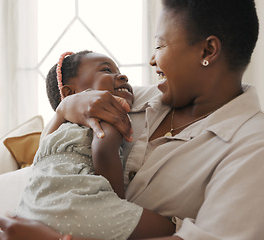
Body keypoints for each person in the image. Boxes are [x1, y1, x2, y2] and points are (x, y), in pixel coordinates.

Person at [0, 0, 264, 239]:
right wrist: (64, 109)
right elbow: (49, 158)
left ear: (207, 51)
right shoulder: (135, 99)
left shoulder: (252, 147)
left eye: (160, 45)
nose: (152, 60)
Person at [13, 50, 175, 240]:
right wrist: (116, 203)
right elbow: (104, 151)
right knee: (171, 229)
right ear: (70, 93)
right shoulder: (101, 107)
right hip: (77, 205)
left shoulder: (54, 131)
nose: (123, 76)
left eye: (119, 71)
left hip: (30, 210)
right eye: (107, 70)